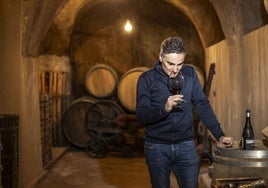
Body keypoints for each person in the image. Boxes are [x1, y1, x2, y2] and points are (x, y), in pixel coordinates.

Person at [136, 37, 232, 188]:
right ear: (161, 57)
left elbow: (202, 104)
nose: (175, 69)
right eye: (170, 64)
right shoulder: (147, 79)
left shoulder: (190, 74)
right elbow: (141, 115)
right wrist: (165, 109)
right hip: (157, 146)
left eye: (180, 64)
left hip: (186, 144)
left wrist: (219, 134)